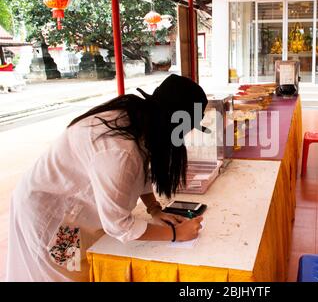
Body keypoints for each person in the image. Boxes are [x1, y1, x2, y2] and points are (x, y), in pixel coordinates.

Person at [6, 74, 207, 281]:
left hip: (72, 210)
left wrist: (154, 209)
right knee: (69, 274)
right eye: (186, 128)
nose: (186, 135)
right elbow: (119, 226)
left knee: (83, 268)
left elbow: (142, 170)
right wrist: (177, 234)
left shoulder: (140, 121)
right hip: (53, 217)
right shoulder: (120, 151)